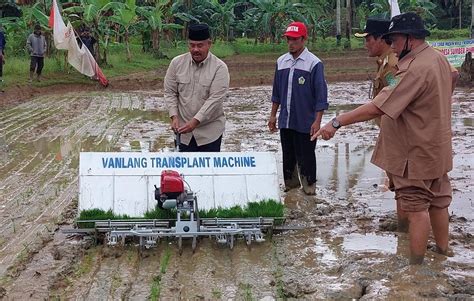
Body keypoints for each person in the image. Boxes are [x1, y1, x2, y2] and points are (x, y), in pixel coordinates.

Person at [312, 12, 459, 264]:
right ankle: (443, 251)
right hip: (436, 145)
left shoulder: (410, 68)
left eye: (395, 39)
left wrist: (336, 122)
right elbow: (454, 76)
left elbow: (379, 106)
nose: (392, 44)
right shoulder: (437, 58)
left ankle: (415, 267)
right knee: (439, 200)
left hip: (415, 148)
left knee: (415, 207)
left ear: (409, 39)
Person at [356, 18, 407, 231]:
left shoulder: (393, 65)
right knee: (397, 183)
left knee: (403, 186)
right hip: (390, 131)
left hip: (398, 133)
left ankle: (406, 230)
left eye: (368, 38)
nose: (365, 43)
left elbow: (399, 96)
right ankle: (405, 226)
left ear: (381, 39)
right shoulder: (383, 63)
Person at [268, 21, 328, 195]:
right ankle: (291, 189)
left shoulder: (314, 64)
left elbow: (321, 97)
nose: (291, 43)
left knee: (306, 157)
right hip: (286, 120)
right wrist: (273, 116)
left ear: (303, 39)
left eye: (295, 39)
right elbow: (276, 93)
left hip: (306, 122)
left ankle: (309, 190)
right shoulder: (281, 62)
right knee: (288, 156)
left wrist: (317, 122)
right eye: (288, 39)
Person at [164, 23, 229, 152]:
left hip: (210, 134)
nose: (195, 50)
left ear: (209, 44)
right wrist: (174, 116)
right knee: (183, 172)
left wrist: (194, 122)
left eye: (200, 45)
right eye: (192, 45)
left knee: (209, 172)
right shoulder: (176, 63)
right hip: (183, 134)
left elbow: (215, 100)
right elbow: (170, 92)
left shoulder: (219, 68)